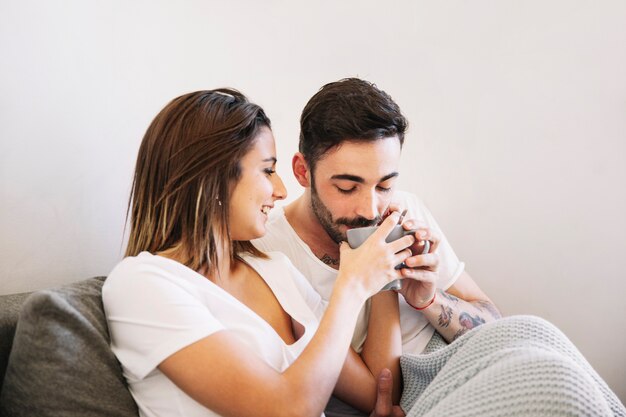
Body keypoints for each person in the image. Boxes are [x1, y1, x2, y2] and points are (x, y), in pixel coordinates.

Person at [253, 78, 626, 416]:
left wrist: (429, 300)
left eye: (385, 185)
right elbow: (385, 389)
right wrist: (386, 276)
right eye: (347, 187)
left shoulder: (407, 208)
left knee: (537, 335)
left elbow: (491, 320)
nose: (370, 209)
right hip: (423, 388)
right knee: (557, 387)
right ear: (302, 172)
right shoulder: (269, 254)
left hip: (470, 354)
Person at [102, 89, 417, 417]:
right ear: (215, 179)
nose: (281, 191)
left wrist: (384, 259)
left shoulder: (273, 269)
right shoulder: (142, 284)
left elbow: (379, 393)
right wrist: (352, 288)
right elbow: (286, 410)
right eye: (267, 170)